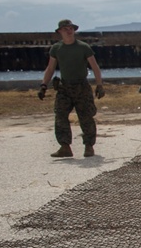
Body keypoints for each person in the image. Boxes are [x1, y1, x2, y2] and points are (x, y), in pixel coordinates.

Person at [38, 19, 105, 158]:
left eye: (71, 28)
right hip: (64, 87)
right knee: (60, 115)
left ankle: (88, 146)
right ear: (60, 31)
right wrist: (43, 85)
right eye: (65, 29)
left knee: (86, 116)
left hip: (82, 86)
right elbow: (50, 68)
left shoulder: (83, 47)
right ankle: (65, 147)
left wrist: (99, 85)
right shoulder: (56, 48)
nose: (69, 31)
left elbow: (95, 67)